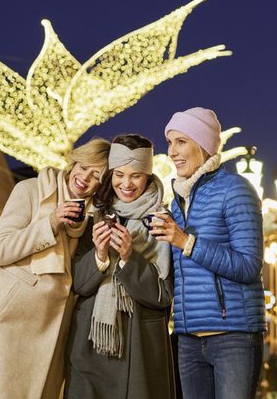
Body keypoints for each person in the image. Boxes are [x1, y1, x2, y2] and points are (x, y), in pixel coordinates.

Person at [0, 137, 110, 399]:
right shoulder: (30, 190)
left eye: (96, 175)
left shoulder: (88, 219)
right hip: (7, 326)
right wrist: (50, 223)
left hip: (51, 332)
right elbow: (0, 249)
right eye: (84, 167)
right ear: (74, 162)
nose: (85, 178)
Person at [151, 107, 265, 399]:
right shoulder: (177, 202)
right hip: (188, 339)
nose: (172, 152)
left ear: (202, 145)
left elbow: (249, 265)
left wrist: (186, 242)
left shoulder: (235, 189)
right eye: (170, 142)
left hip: (234, 337)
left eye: (181, 142)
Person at [65, 134, 175, 398]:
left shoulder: (161, 220)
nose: (126, 184)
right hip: (90, 345)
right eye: (119, 175)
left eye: (136, 175)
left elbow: (163, 294)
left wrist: (128, 257)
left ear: (148, 176)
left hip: (138, 348)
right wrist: (100, 253)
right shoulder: (95, 215)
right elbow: (77, 283)